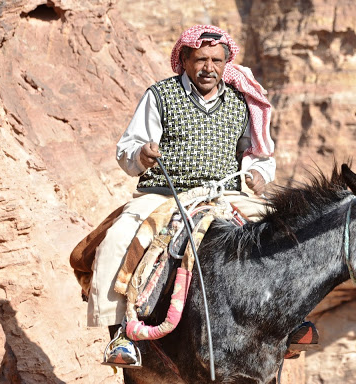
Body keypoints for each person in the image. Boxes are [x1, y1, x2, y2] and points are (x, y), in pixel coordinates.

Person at [89, 24, 277, 367]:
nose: (209, 68)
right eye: (201, 59)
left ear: (226, 62)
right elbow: (128, 149)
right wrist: (142, 154)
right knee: (117, 240)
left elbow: (261, 158)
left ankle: (286, 324)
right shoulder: (160, 95)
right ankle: (121, 335)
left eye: (217, 60)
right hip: (164, 195)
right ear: (185, 59)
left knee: (279, 234)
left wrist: (259, 175)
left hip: (225, 195)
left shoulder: (241, 102)